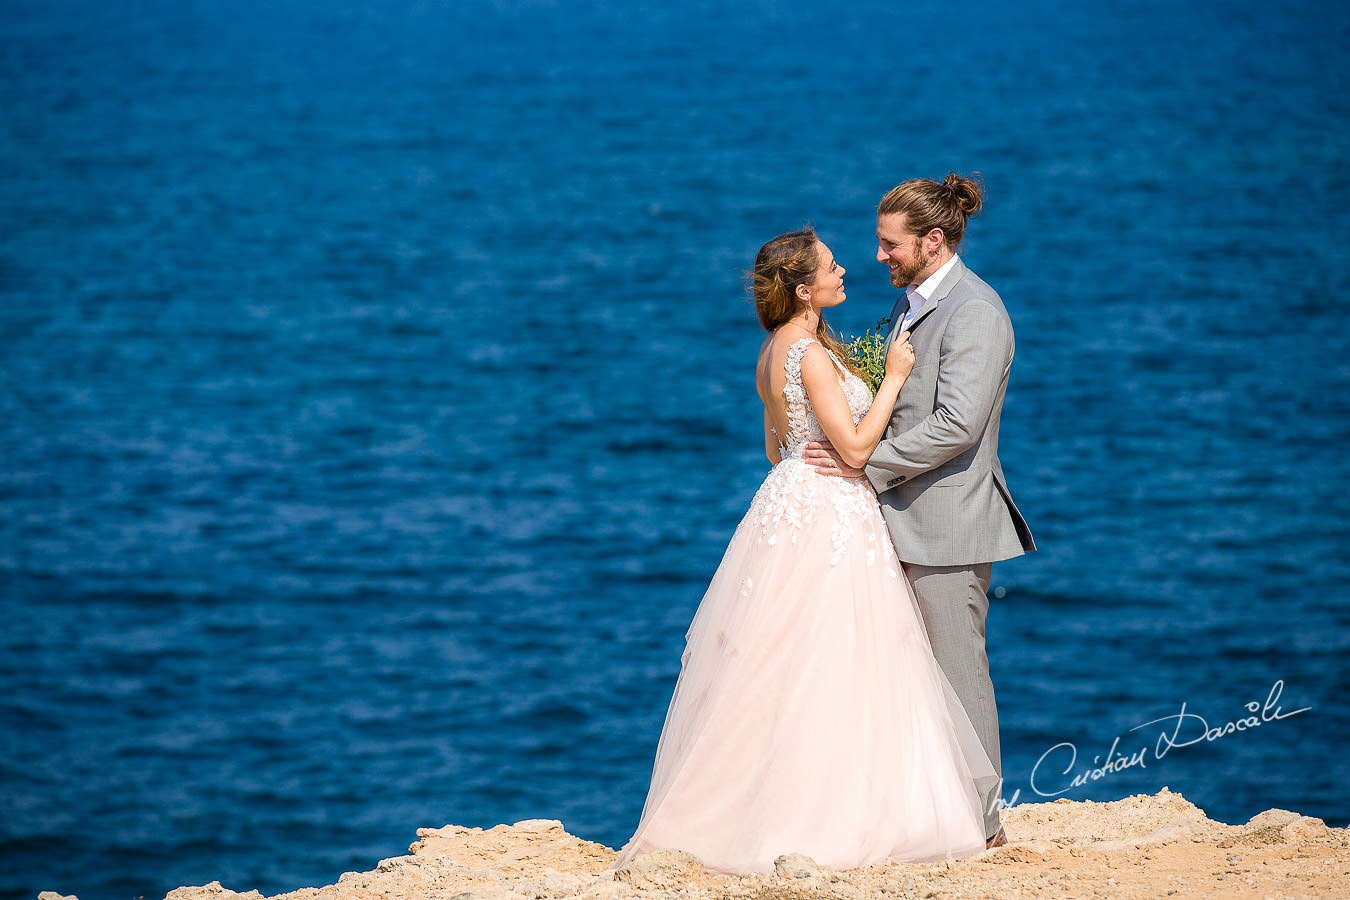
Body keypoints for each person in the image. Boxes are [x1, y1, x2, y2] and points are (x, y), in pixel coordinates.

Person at [612, 227, 1001, 875]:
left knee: (781, 661)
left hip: (785, 502)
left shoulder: (773, 351)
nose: (845, 269)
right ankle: (840, 816)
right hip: (830, 511)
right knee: (842, 659)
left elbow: (776, 448)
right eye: (831, 266)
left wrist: (812, 445)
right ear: (804, 289)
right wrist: (894, 381)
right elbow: (851, 452)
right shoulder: (811, 356)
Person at [805, 174, 1036, 848]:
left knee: (958, 677)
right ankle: (930, 816)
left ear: (933, 241)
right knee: (908, 678)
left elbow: (957, 426)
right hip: (903, 518)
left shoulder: (976, 312)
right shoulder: (914, 302)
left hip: (948, 525)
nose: (878, 255)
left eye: (889, 244)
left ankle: (983, 826)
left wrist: (861, 464)